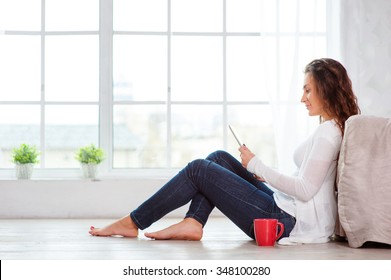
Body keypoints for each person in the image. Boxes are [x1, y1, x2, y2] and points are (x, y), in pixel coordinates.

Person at [89, 58, 360, 244]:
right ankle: (193, 222)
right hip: (288, 211)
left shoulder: (328, 133)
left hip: (286, 222)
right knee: (218, 157)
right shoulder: (331, 127)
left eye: (308, 90)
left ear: (326, 90)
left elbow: (304, 189)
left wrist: (257, 167)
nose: (302, 98)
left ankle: (134, 221)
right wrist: (258, 171)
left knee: (198, 168)